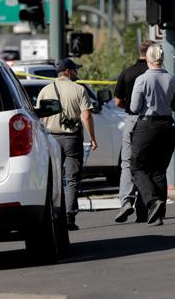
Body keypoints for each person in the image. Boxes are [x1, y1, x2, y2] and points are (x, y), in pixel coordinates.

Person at [37, 58, 98, 231]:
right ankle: (70, 216)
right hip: (72, 139)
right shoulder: (79, 89)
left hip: (51, 139)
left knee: (53, 179)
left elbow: (39, 117)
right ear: (67, 71)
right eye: (75, 70)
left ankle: (54, 216)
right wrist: (93, 138)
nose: (77, 73)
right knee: (72, 179)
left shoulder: (45, 90)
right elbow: (86, 116)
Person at [128, 43, 175, 226]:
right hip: (167, 125)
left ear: (148, 59)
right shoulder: (171, 79)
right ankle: (159, 213)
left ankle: (152, 202)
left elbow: (134, 108)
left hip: (147, 125)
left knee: (137, 166)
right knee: (159, 170)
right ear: (162, 59)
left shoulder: (142, 80)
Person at [112, 39, 154, 224]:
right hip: (152, 121)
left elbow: (118, 101)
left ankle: (126, 202)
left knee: (127, 162)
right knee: (147, 165)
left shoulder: (127, 73)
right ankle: (143, 209)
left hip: (131, 119)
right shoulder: (155, 73)